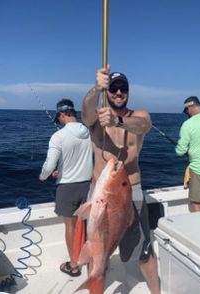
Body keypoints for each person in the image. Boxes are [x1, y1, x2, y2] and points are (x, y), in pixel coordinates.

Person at [81, 66, 160, 293]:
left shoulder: (139, 117)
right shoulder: (95, 119)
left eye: (122, 89)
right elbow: (86, 108)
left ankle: (157, 292)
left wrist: (117, 121)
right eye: (113, 88)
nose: (118, 92)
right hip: (99, 195)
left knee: (143, 252)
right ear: (108, 91)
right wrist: (96, 89)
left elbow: (144, 125)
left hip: (130, 192)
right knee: (97, 255)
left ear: (128, 92)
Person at [39, 98, 93, 277]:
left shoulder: (58, 136)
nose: (59, 121)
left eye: (59, 118)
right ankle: (92, 263)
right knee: (88, 226)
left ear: (62, 114)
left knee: (70, 226)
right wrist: (60, 170)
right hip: (88, 186)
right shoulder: (89, 131)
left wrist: (44, 176)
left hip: (67, 188)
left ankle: (74, 265)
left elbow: (49, 164)